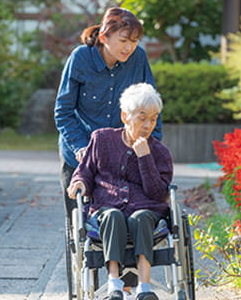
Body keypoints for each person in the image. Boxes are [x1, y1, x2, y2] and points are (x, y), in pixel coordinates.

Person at [67, 83, 173, 300]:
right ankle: (114, 284)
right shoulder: (101, 139)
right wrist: (78, 182)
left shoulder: (160, 152)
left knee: (141, 217)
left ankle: (144, 288)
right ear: (125, 116)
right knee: (113, 215)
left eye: (153, 119)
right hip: (107, 210)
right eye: (141, 117)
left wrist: (145, 158)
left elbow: (157, 193)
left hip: (146, 210)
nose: (147, 125)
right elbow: (84, 172)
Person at [54, 7, 162, 218]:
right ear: (104, 37)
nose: (129, 47)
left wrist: (153, 148)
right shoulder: (81, 58)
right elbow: (63, 111)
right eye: (123, 41)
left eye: (135, 40)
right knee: (80, 225)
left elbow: (150, 106)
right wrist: (81, 148)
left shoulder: (138, 58)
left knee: (123, 216)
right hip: (80, 153)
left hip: (120, 156)